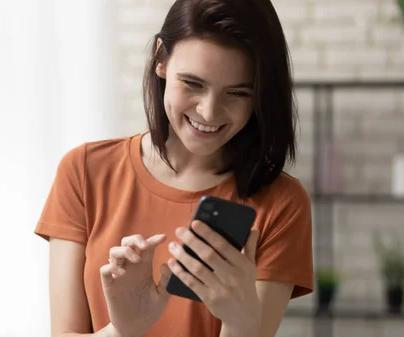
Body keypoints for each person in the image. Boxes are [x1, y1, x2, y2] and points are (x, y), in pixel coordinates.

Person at [34, 0, 313, 336]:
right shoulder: (84, 172)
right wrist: (123, 330)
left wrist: (240, 320)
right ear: (161, 60)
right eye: (193, 84)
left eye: (237, 93)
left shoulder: (281, 203)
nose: (209, 113)